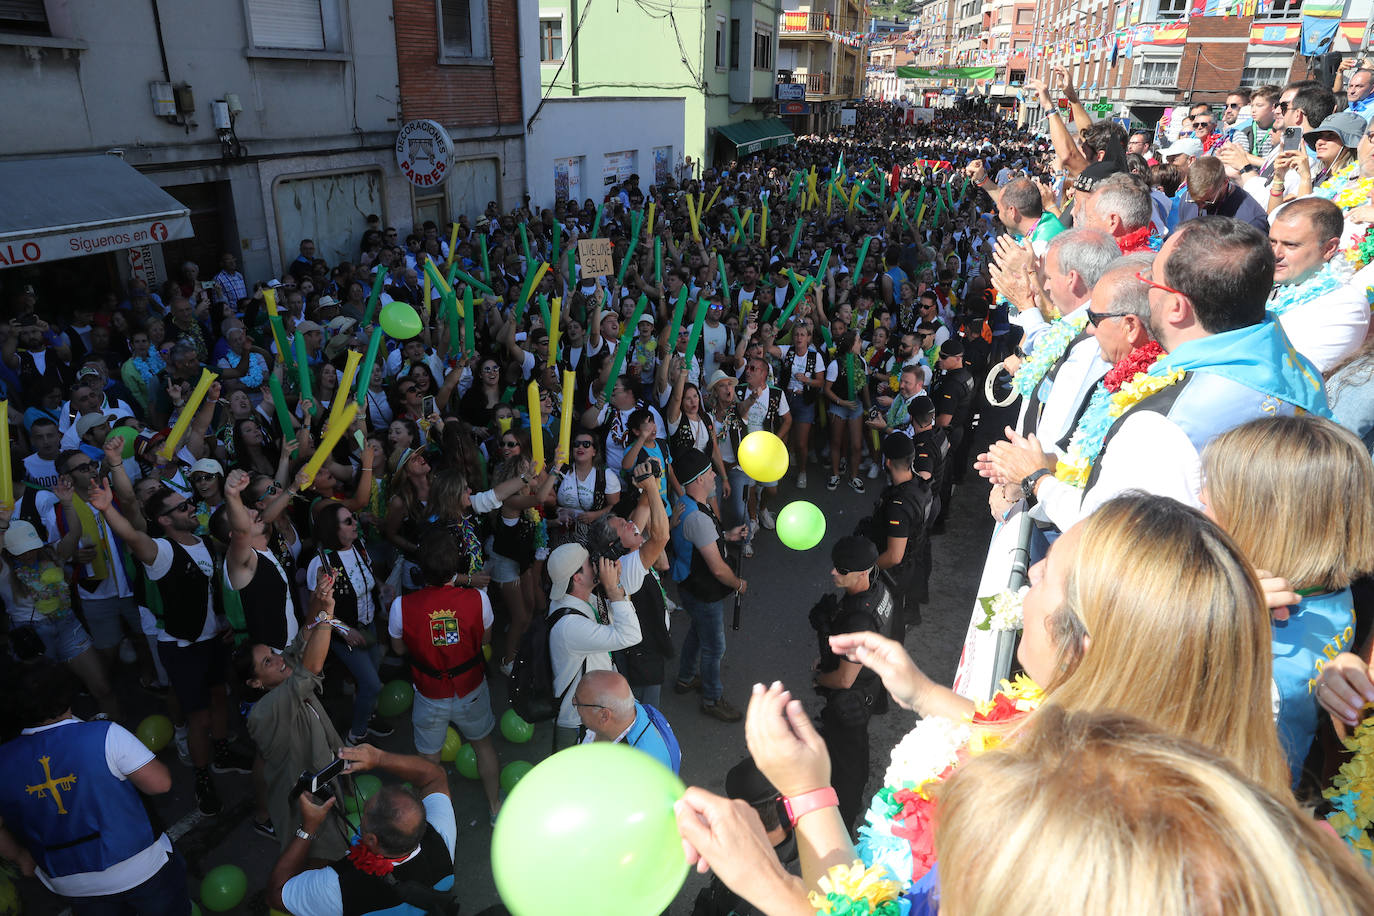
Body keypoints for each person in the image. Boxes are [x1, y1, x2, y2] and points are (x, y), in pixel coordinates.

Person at [1202, 416, 1374, 784]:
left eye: (1216, 495)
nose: (1200, 499)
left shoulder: (1261, 666)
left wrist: (1209, 616)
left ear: (1264, 523)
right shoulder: (1328, 587)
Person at [87, 479, 249, 817]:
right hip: (182, 648)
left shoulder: (204, 542)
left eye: (188, 502)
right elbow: (133, 536)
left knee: (220, 697)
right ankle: (202, 780)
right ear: (164, 520)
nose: (191, 508)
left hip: (213, 641)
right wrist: (106, 510)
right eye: (182, 506)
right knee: (199, 717)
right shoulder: (160, 553)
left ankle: (222, 754)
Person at [0, 659, 190, 916]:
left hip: (71, 882)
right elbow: (161, 783)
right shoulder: (104, 734)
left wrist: (21, 857)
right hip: (141, 869)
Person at [234, 571, 352, 864]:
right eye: (267, 663)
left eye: (271, 654)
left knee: (342, 840)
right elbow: (311, 666)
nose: (278, 660)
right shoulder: (264, 712)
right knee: (325, 857)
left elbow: (306, 633)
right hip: (306, 805)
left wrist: (319, 598)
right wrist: (329, 614)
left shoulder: (282, 668)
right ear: (255, 683)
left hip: (324, 782)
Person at [387, 526, 501, 822]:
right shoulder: (478, 599)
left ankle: (435, 821)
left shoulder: (401, 606)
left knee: (428, 761)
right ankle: (495, 809)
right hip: (471, 687)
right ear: (456, 566)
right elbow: (486, 640)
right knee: (483, 747)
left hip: (429, 692)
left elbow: (398, 650)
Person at [270, 744, 457, 916]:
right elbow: (435, 777)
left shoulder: (336, 887)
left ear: (371, 840)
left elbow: (276, 896)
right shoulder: (441, 837)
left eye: (366, 812)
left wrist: (308, 828)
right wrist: (379, 758)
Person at [808, 535, 895, 829]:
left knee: (848, 759)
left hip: (853, 698)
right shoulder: (879, 588)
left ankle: (842, 820)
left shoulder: (859, 618)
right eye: (835, 567)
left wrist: (820, 677)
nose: (833, 572)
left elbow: (845, 680)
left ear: (861, 574)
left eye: (841, 570)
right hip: (871, 681)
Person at [670, 448, 748, 723]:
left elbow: (703, 540)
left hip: (689, 587)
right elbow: (717, 569)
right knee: (714, 647)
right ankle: (712, 699)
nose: (715, 474)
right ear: (699, 479)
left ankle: (686, 678)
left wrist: (727, 535)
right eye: (709, 471)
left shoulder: (688, 505)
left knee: (697, 630)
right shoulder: (699, 518)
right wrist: (738, 584)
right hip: (703, 591)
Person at [545, 542, 643, 749]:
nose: (596, 564)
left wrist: (616, 586)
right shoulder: (570, 626)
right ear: (577, 578)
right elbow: (631, 635)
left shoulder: (580, 599)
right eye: (590, 563)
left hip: (592, 712)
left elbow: (616, 620)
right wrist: (612, 591)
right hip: (579, 723)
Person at [1267, 197, 1369, 373]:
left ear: (1329, 248)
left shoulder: (1346, 306)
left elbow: (1294, 377)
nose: (1276, 254)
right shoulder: (1266, 280)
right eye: (1272, 242)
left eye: (1290, 245)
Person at [858, 432, 932, 632]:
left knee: (889, 620)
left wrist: (866, 572)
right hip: (913, 561)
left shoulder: (899, 504)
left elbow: (894, 555)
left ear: (887, 462)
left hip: (894, 573)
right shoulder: (921, 485)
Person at [573, 669, 679, 773]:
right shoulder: (626, 708)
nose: (573, 702)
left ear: (604, 716)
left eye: (578, 702)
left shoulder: (638, 770)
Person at [1176, 157, 1270, 231]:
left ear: (1225, 183)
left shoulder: (1250, 220)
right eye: (1195, 201)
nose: (1200, 206)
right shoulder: (1187, 199)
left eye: (1208, 201)